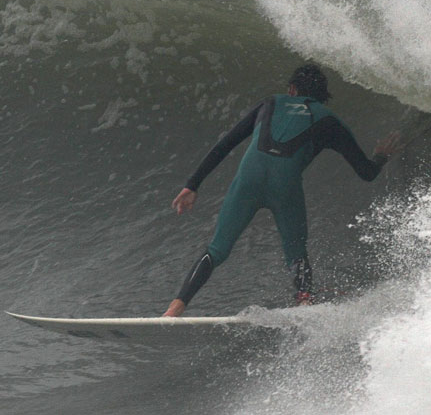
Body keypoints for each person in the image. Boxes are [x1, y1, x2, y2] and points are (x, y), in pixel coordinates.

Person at [163, 64, 400, 317]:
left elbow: (225, 144)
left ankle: (174, 309)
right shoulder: (330, 121)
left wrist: (193, 184)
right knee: (296, 252)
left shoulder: (270, 103)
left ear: (292, 89)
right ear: (322, 97)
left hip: (247, 184)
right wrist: (381, 156)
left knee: (217, 249)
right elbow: (366, 173)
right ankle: (304, 304)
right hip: (285, 189)